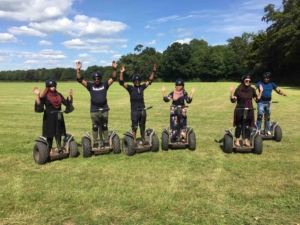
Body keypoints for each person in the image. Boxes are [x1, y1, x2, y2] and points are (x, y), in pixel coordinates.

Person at [76, 61, 117, 148]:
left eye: (98, 78)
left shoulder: (104, 84)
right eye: (95, 78)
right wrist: (78, 70)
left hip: (104, 108)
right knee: (95, 126)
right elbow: (80, 80)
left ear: (100, 78)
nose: (96, 80)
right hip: (94, 109)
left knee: (104, 125)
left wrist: (114, 69)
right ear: (93, 79)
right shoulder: (90, 86)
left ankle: (106, 141)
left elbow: (113, 78)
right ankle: (95, 141)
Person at [119, 64, 156, 147]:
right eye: (135, 81)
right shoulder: (131, 88)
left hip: (142, 110)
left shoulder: (142, 87)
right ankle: (134, 141)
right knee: (134, 127)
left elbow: (149, 80)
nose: (137, 81)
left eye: (138, 80)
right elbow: (121, 82)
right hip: (135, 111)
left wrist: (153, 71)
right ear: (133, 81)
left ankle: (143, 139)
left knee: (142, 126)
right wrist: (122, 73)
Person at [33, 79, 73, 154]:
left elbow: (66, 103)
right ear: (48, 87)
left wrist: (70, 96)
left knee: (59, 132)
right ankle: (50, 148)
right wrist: (37, 95)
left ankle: (59, 147)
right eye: (51, 86)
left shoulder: (59, 95)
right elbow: (39, 104)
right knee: (50, 133)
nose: (53, 88)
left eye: (54, 86)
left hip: (58, 115)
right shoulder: (45, 96)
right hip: (49, 116)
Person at [229, 74, 263, 147]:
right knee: (239, 125)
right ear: (243, 80)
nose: (248, 82)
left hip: (249, 109)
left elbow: (257, 100)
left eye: (249, 81)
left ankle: (246, 140)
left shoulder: (252, 89)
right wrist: (231, 92)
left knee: (247, 126)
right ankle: (237, 141)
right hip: (240, 108)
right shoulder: (239, 89)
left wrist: (261, 92)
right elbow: (233, 100)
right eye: (246, 80)